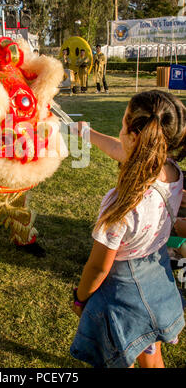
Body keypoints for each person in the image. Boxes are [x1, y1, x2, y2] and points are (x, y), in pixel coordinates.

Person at [70, 90, 186, 368]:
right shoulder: (173, 172)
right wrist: (88, 133)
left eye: (123, 122)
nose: (120, 130)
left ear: (134, 136)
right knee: (150, 350)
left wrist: (80, 298)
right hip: (157, 280)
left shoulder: (120, 203)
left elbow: (99, 268)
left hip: (123, 298)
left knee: (120, 358)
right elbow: (120, 150)